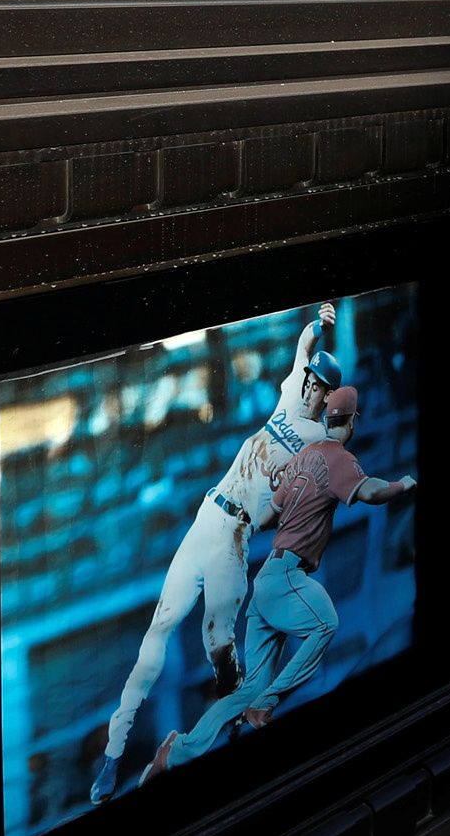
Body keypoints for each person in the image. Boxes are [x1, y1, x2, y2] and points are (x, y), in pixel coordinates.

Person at [91, 302, 341, 804]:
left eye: (320, 385)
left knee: (219, 649)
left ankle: (228, 735)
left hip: (237, 536)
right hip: (209, 515)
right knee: (159, 628)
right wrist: (320, 322)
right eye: (312, 380)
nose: (312, 386)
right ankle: (114, 754)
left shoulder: (320, 443)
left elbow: (294, 506)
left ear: (330, 396)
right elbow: (301, 347)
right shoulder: (291, 396)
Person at [149, 386, 416, 775]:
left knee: (248, 689)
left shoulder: (302, 457)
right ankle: (267, 704)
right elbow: (373, 491)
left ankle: (176, 751)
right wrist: (402, 485)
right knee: (325, 624)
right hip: (288, 574)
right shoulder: (338, 458)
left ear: (327, 417)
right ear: (352, 421)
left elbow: (268, 516)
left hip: (267, 579)